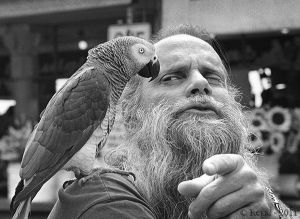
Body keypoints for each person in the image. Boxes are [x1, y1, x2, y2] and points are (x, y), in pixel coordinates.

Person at [48, 24, 295, 219]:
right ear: (132, 114)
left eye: (213, 76)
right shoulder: (103, 197)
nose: (201, 83)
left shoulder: (256, 192)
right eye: (172, 77)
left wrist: (271, 209)